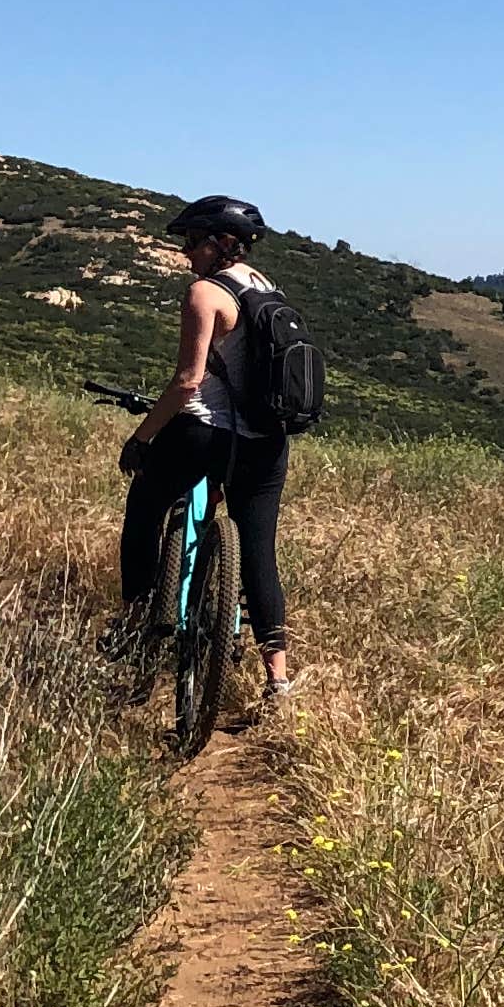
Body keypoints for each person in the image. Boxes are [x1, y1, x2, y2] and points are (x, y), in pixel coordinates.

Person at [119, 193, 297, 709]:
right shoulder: (265, 287)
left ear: (220, 244)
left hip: (208, 432)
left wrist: (142, 438)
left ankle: (133, 625)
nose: (186, 254)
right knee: (259, 552)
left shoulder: (204, 294)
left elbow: (186, 383)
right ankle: (278, 680)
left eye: (193, 243)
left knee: (143, 504)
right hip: (268, 442)